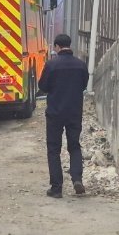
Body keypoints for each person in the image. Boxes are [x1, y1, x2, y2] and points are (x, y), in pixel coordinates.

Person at [38, 33, 89, 197]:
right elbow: (83, 85)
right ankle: (77, 179)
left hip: (55, 113)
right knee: (74, 146)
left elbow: (43, 86)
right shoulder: (81, 65)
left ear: (57, 46)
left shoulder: (51, 65)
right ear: (69, 45)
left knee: (54, 149)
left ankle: (56, 188)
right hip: (74, 112)